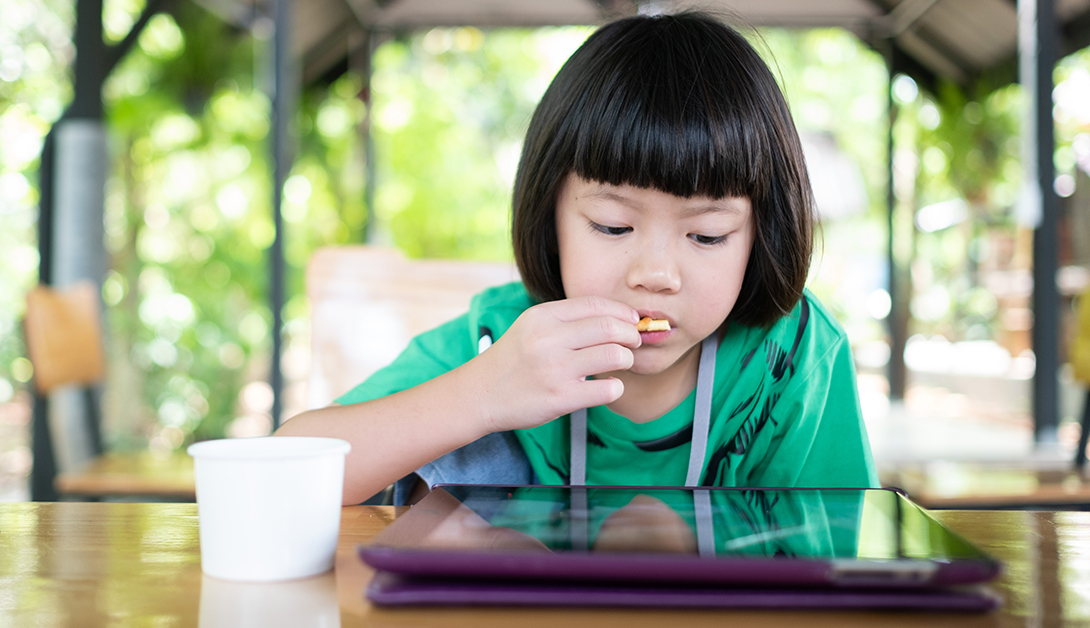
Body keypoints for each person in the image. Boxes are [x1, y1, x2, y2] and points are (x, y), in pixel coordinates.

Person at [276, 10, 878, 505]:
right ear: (550, 216)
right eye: (613, 226)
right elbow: (282, 474)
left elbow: (836, 562)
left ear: (760, 235)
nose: (655, 275)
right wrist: (480, 394)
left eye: (708, 236)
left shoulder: (793, 359)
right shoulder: (501, 339)